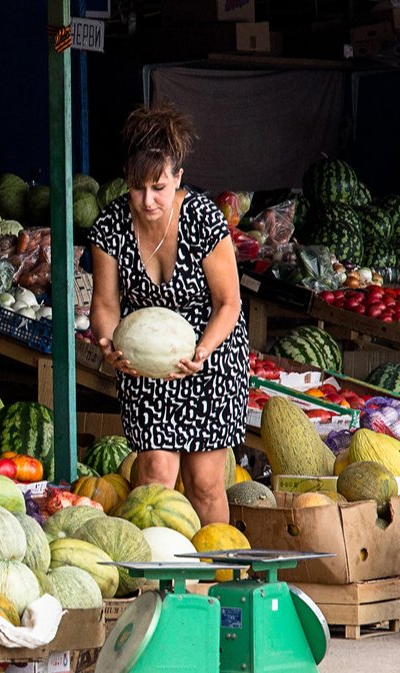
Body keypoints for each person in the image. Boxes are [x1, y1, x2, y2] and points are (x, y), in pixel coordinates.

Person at [87, 104, 248, 526]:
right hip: (147, 363)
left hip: (211, 356)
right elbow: (105, 305)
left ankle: (215, 563)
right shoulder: (110, 227)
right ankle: (154, 563)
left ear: (178, 177)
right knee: (155, 475)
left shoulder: (203, 220)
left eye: (158, 187)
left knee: (204, 483)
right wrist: (108, 342)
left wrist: (203, 350)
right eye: (137, 187)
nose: (147, 200)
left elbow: (229, 303)